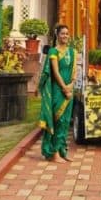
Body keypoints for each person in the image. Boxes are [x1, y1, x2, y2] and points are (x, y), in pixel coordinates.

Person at [38, 24, 78, 163]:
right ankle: (53, 153)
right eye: (62, 34)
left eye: (67, 34)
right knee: (57, 120)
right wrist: (64, 88)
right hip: (57, 90)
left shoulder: (73, 52)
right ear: (57, 35)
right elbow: (55, 72)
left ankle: (62, 150)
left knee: (66, 122)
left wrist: (71, 85)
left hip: (69, 89)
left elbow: (74, 73)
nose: (65, 36)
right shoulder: (53, 52)